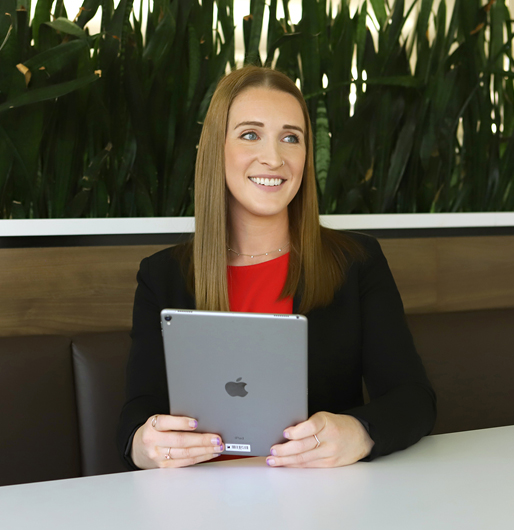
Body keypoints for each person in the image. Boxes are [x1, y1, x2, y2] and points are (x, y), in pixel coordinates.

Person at [117, 66, 436, 469]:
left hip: (321, 499)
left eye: (291, 138)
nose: (273, 158)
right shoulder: (162, 275)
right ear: (217, 149)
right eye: (250, 134)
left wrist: (361, 432)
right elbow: (135, 415)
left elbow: (414, 399)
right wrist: (142, 444)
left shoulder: (357, 261)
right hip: (200, 501)